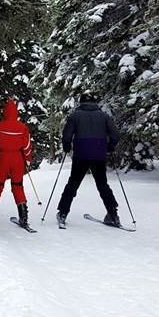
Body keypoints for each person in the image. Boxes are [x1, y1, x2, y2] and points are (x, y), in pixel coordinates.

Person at [56, 94, 121, 227]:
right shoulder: (104, 116)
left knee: (73, 184)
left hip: (81, 154)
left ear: (81, 102)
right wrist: (110, 146)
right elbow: (115, 134)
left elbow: (67, 134)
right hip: (99, 154)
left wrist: (66, 146)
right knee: (103, 185)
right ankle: (113, 214)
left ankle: (63, 212)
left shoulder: (75, 115)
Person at [0, 99, 33, 226]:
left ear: (4, 112)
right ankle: (24, 217)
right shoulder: (22, 127)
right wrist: (27, 160)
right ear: (16, 113)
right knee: (18, 186)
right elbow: (27, 146)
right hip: (18, 160)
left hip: (2, 158)